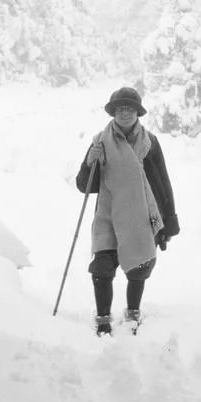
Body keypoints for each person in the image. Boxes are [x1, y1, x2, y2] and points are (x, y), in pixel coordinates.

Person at [75, 87, 179, 336]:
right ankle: (102, 317)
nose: (125, 114)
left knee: (139, 266)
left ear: (138, 113)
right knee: (102, 265)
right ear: (113, 112)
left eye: (130, 109)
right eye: (120, 109)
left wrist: (169, 219)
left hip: (141, 213)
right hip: (108, 214)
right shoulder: (100, 141)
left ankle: (133, 312)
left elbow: (162, 181)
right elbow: (83, 185)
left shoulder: (150, 142)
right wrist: (91, 161)